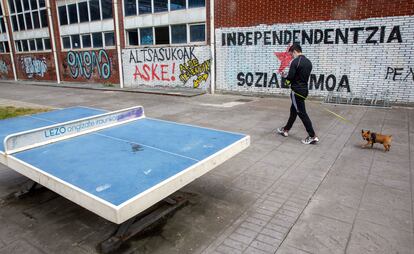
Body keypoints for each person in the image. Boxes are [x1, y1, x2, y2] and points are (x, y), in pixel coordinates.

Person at [277, 43, 319, 145]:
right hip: (304, 90)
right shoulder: (309, 62)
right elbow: (300, 76)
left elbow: (290, 78)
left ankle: (312, 136)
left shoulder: (295, 62)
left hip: (296, 92)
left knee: (302, 113)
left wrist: (284, 76)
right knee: (293, 111)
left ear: (295, 51)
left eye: (292, 54)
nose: (291, 56)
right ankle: (286, 129)